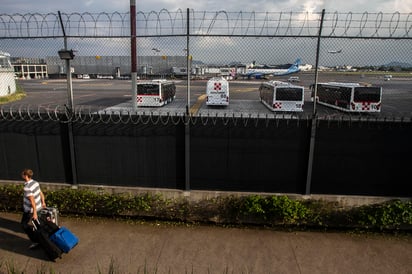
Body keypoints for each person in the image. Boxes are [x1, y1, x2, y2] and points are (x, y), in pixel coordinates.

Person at [20, 168, 46, 249]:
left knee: (24, 225)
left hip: (30, 210)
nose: (21, 175)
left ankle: (35, 241)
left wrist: (34, 213)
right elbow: (41, 193)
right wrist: (43, 202)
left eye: (22, 174)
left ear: (26, 176)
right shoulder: (35, 182)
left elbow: (32, 201)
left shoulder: (27, 187)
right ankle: (42, 238)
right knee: (38, 224)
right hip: (39, 207)